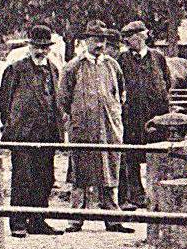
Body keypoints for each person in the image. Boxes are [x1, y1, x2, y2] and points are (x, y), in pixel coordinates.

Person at [0, 25, 65, 237]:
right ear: (30, 46)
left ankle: (38, 220)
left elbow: (57, 101)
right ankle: (18, 222)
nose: (41, 51)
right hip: (24, 134)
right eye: (37, 46)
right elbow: (3, 101)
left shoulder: (54, 70)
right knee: (22, 178)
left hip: (47, 134)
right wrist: (13, 123)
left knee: (45, 178)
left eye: (45, 47)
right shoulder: (16, 69)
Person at [59, 20, 125, 232]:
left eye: (103, 41)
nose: (99, 45)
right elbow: (63, 99)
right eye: (95, 40)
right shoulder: (73, 67)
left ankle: (112, 218)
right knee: (80, 172)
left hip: (109, 128)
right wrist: (77, 117)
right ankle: (76, 217)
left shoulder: (112, 66)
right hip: (83, 128)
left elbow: (121, 94)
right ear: (86, 41)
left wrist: (112, 114)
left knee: (109, 169)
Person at [116, 20, 170, 210]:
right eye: (128, 39)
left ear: (143, 36)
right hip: (132, 116)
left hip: (155, 116)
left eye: (133, 37)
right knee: (131, 157)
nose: (131, 41)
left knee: (158, 155)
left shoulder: (158, 57)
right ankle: (136, 195)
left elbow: (167, 82)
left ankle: (158, 195)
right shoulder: (121, 59)